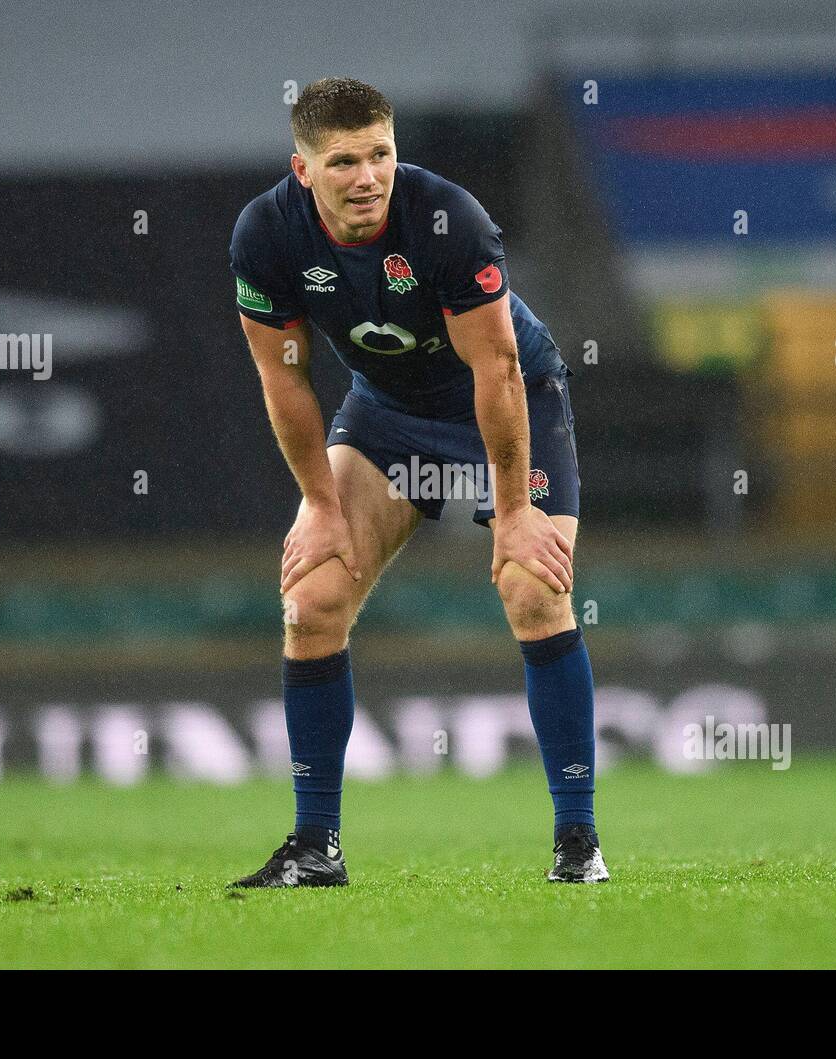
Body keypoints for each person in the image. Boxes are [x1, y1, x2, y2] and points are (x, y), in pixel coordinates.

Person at [228, 78, 606, 885]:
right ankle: (315, 847)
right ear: (303, 171)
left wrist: (512, 513)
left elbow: (498, 369)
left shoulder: (448, 220)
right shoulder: (265, 234)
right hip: (389, 412)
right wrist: (323, 509)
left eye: (381, 155)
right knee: (313, 596)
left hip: (508, 403)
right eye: (343, 162)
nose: (367, 177)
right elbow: (285, 382)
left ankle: (579, 842)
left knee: (533, 585)